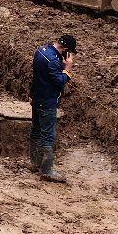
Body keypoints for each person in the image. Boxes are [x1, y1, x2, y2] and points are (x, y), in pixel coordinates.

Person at [30, 33, 76, 183]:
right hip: (47, 102)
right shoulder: (53, 61)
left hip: (36, 98)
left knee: (36, 130)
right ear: (65, 49)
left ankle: (34, 162)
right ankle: (47, 170)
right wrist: (67, 68)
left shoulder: (41, 51)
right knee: (47, 135)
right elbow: (60, 81)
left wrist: (60, 66)